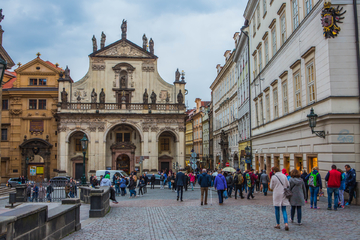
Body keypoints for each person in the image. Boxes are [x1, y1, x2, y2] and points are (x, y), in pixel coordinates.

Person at [270, 166, 290, 231]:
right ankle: (286, 223)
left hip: (276, 194)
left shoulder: (273, 177)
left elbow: (271, 187)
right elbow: (288, 184)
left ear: (274, 171)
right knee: (284, 209)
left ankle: (278, 224)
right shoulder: (284, 176)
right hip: (283, 193)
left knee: (277, 209)